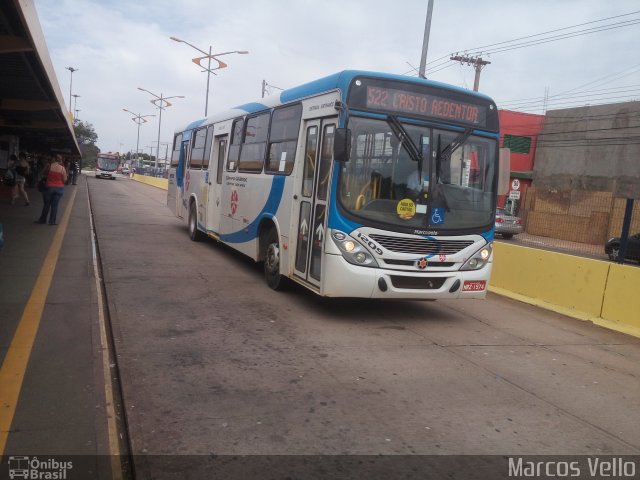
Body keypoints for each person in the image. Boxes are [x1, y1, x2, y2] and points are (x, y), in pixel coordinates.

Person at [35, 154, 67, 225]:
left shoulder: (49, 166)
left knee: (46, 205)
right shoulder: (62, 168)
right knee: (54, 206)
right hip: (59, 189)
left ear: (54, 159)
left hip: (49, 188)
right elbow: (65, 180)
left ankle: (43, 220)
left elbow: (43, 173)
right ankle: (52, 221)